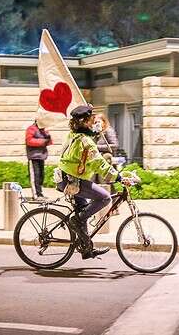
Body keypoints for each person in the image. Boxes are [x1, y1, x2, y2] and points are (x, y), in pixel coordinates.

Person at [56, 105, 131, 259]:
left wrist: (95, 132)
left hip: (67, 177)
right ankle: (76, 222)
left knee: (83, 211)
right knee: (104, 198)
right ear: (84, 122)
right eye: (92, 120)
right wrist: (118, 177)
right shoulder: (86, 141)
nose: (95, 123)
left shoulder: (74, 134)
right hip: (72, 181)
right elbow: (99, 164)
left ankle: (86, 248)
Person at [25, 119, 52, 199]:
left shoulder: (44, 130)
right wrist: (43, 141)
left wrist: (48, 136)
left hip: (42, 156)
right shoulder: (31, 129)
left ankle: (40, 193)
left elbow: (50, 142)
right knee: (35, 176)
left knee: (41, 176)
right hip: (33, 157)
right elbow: (29, 141)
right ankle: (36, 195)